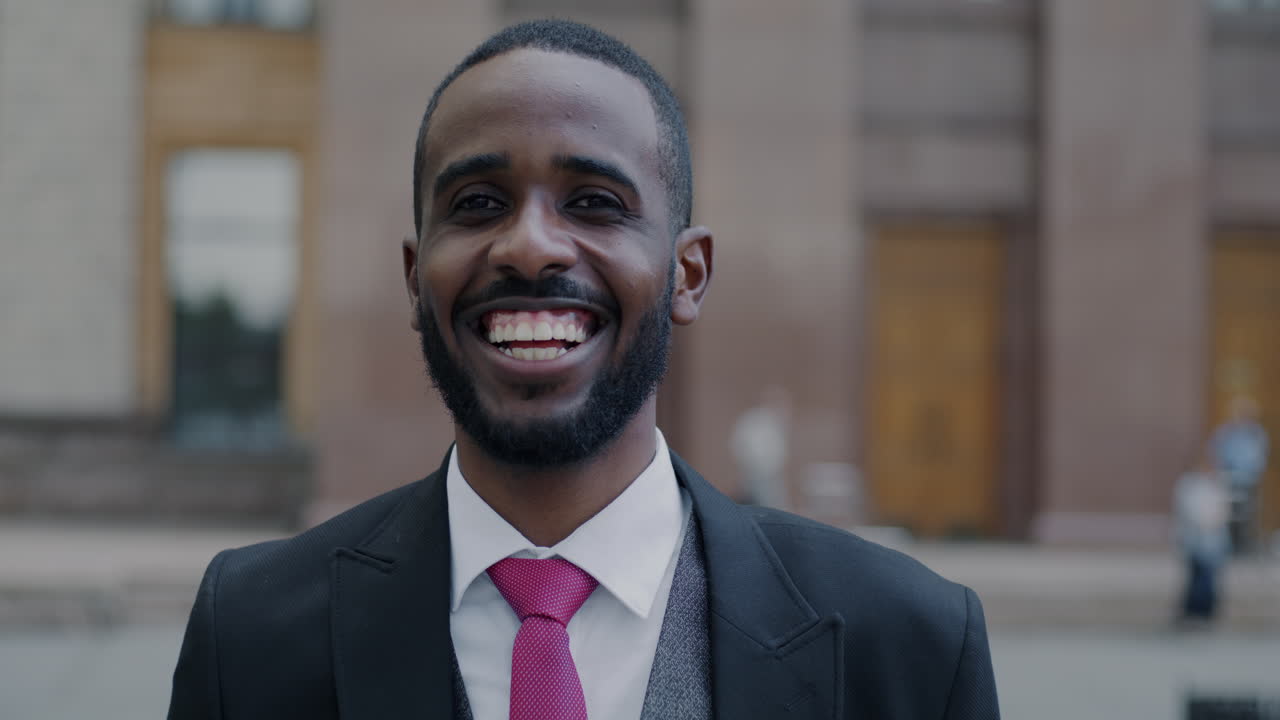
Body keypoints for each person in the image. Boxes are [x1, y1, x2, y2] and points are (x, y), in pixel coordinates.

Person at [168, 19, 999, 720]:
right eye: (479, 203)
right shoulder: (247, 637)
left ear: (689, 274)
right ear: (416, 277)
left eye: (595, 202)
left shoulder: (910, 646)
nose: (530, 245)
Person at [1173, 458, 1231, 625]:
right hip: (1195, 539)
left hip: (1213, 541)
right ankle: (1192, 611)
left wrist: (1215, 519)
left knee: (1209, 579)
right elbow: (1188, 510)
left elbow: (1223, 508)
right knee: (1196, 578)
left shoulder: (1217, 485)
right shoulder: (1189, 486)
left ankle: (1206, 612)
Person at [1211, 396, 1269, 554]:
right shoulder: (1225, 432)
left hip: (1249, 480)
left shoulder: (1257, 433)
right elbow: (1216, 452)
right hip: (1228, 478)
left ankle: (1245, 547)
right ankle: (1229, 546)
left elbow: (1260, 456)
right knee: (1228, 514)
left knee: (1248, 514)